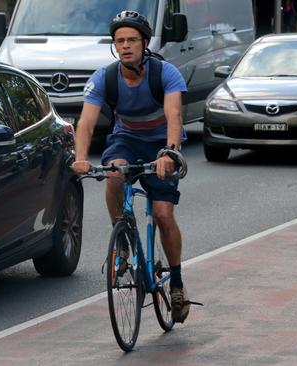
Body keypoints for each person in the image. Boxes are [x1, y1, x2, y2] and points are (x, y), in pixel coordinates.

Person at [70, 10, 191, 323]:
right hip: (126, 140)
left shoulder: (165, 73)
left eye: (132, 40)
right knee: (114, 173)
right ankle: (122, 241)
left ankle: (176, 283)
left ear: (145, 42)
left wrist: (169, 152)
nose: (126, 46)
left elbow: (174, 116)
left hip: (162, 143)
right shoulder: (105, 78)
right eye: (120, 41)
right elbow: (86, 121)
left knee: (163, 214)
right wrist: (81, 157)